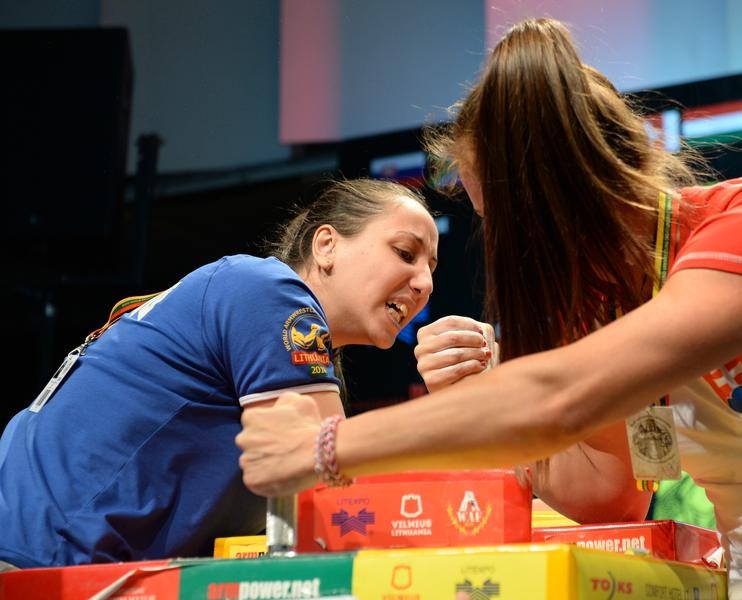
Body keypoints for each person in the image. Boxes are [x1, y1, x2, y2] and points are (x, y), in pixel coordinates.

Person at [236, 19, 742, 599]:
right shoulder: (608, 306)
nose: (500, 245)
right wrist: (484, 388)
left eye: (499, 219)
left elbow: (557, 399)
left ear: (557, 192)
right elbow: (609, 495)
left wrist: (326, 446)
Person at [0, 178, 438, 567]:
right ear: (326, 245)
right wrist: (456, 404)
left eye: (432, 268)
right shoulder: (269, 291)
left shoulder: (256, 309)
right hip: (38, 562)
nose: (425, 284)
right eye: (405, 253)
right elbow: (340, 500)